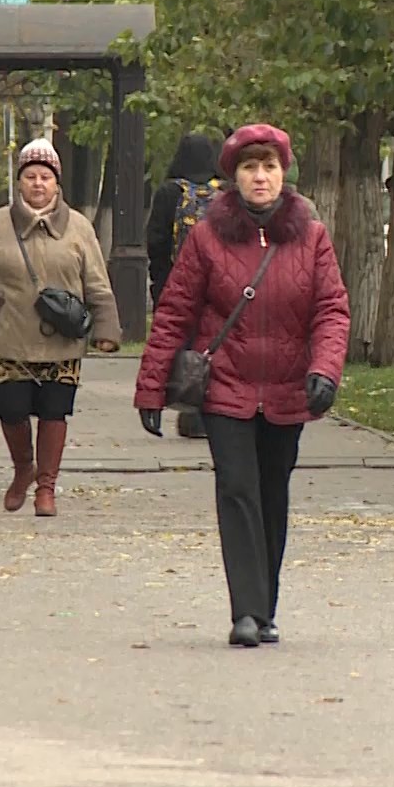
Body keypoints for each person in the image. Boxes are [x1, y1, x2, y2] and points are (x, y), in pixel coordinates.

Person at [133, 124, 350, 648]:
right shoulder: (207, 237)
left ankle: (266, 606)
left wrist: (325, 370)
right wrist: (151, 387)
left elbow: (331, 310)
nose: (260, 177)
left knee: (272, 494)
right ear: (234, 176)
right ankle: (246, 612)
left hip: (288, 388)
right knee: (236, 489)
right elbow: (175, 311)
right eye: (250, 167)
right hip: (226, 386)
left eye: (269, 167)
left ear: (283, 174)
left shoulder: (311, 236)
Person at [0, 138, 121, 517]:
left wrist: (107, 329)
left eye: (45, 176)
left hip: (61, 342)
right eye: (30, 177)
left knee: (53, 413)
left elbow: (97, 282)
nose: (38, 183)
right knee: (9, 410)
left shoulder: (79, 227)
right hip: (9, 336)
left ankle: (46, 487)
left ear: (57, 183)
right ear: (19, 182)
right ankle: (23, 467)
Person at [145, 132, 224, 440]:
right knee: (214, 347)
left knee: (186, 348)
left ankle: (188, 411)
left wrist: (160, 283)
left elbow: (157, 242)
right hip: (218, 287)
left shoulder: (169, 192)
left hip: (178, 285)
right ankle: (214, 413)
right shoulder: (224, 194)